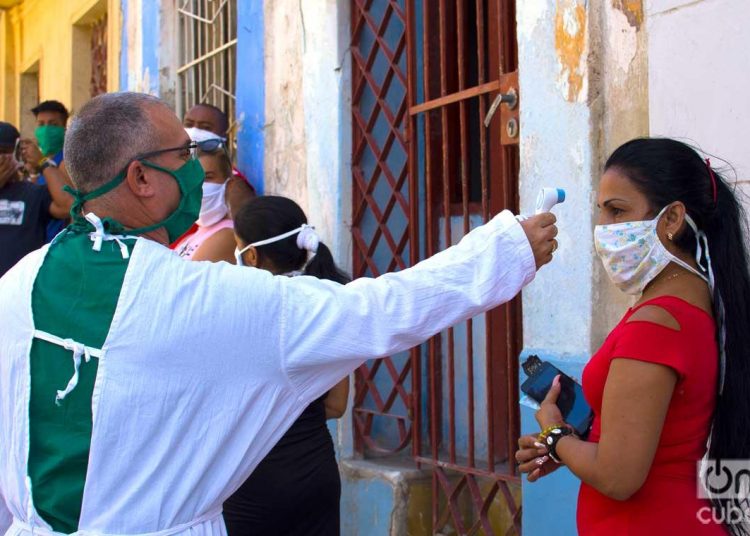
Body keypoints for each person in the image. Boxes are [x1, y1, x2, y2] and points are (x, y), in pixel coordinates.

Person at [0, 92, 557, 536]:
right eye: (184, 156)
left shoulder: (15, 287)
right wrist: (502, 251)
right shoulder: (197, 298)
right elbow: (375, 311)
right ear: (141, 178)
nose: (199, 172)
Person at [515, 138, 750, 535]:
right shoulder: (696, 310)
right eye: (601, 212)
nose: (604, 229)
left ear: (672, 219)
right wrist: (573, 447)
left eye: (617, 211)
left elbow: (619, 477)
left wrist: (555, 435)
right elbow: (661, 441)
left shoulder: (655, 324)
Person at [224, 196, 350, 535]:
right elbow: (337, 405)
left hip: (253, 478)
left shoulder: (241, 309)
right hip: (315, 475)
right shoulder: (325, 301)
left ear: (250, 255)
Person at [0, 121, 72, 277]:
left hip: (21, 290)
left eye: (4, 152)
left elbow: (68, 206)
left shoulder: (32, 193)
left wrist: (42, 163)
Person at [172, 128, 236, 262]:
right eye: (193, 178)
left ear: (228, 183)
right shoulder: (196, 234)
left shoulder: (227, 235)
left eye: (208, 177)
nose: (199, 186)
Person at [183, 103, 255, 217]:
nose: (194, 131)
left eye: (205, 127)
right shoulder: (177, 171)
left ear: (222, 135)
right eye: (189, 124)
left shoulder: (231, 183)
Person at [19, 100, 72, 241]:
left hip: (55, 243)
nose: (46, 130)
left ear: (65, 129)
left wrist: (42, 163)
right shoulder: (38, 163)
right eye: (41, 124)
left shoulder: (67, 163)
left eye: (53, 124)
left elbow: (70, 206)